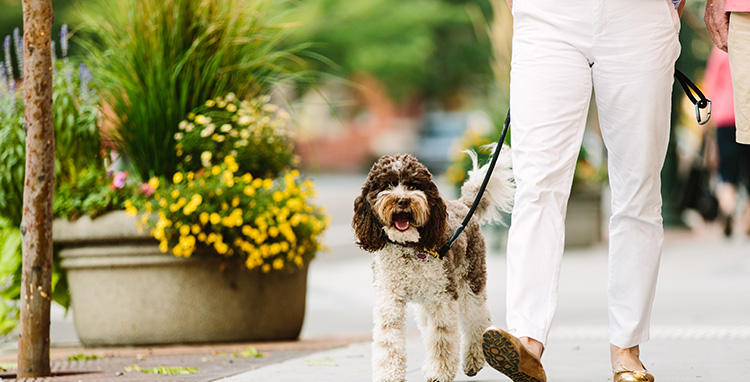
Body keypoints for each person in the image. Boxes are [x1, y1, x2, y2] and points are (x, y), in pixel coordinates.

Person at [480, 0, 683, 381]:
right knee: (537, 182)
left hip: (638, 16)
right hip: (548, 16)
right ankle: (526, 340)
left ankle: (627, 350)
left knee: (638, 188)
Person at [703, 47, 750, 237]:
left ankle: (729, 211)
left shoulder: (719, 49)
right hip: (746, 115)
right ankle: (747, 220)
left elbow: (711, 84)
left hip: (724, 117)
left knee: (726, 173)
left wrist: (707, 124)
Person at [705, 0, 750, 145]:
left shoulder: (718, 52)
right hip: (728, 117)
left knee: (729, 166)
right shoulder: (721, 50)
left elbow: (711, 82)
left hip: (724, 116)